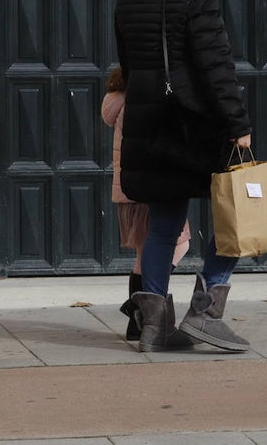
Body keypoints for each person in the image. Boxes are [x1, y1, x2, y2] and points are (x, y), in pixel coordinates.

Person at [112, 0, 253, 353]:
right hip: (195, 124)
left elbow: (131, 66)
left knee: (163, 224)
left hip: (149, 123)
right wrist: (238, 122)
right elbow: (215, 63)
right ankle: (207, 311)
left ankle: (154, 327)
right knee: (235, 214)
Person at [100, 67, 191, 342]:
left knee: (143, 255)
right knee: (179, 243)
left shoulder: (115, 100)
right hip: (148, 190)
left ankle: (135, 324)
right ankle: (138, 307)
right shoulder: (140, 102)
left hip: (127, 190)